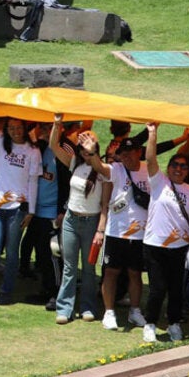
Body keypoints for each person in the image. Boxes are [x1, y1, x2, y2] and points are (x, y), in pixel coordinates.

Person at [0, 106, 51, 306]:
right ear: (6, 129)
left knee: (12, 253)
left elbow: (34, 181)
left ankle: (6, 292)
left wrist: (31, 210)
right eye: (11, 127)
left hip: (17, 209)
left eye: (19, 127)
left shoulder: (33, 151)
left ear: (25, 128)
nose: (15, 131)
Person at [138, 124, 189, 343]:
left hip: (179, 247)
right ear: (169, 167)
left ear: (187, 170)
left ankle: (174, 323)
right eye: (175, 165)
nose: (178, 169)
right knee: (157, 288)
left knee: (176, 289)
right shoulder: (159, 182)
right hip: (155, 244)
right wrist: (152, 133)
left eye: (183, 167)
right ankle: (150, 324)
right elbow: (149, 159)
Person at [53, 128, 109, 324]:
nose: (85, 153)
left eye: (89, 148)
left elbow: (105, 205)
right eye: (83, 149)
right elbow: (54, 146)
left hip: (91, 222)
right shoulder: (75, 163)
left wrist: (100, 230)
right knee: (69, 267)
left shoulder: (103, 170)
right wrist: (57, 123)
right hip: (70, 220)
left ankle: (87, 307)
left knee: (88, 268)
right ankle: (64, 309)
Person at [98, 132, 150, 331]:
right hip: (116, 232)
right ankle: (109, 312)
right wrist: (94, 153)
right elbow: (99, 167)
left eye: (130, 153)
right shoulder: (116, 169)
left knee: (135, 273)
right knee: (111, 272)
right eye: (123, 154)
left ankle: (135, 311)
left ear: (139, 152)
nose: (126, 157)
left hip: (140, 234)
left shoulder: (148, 170)